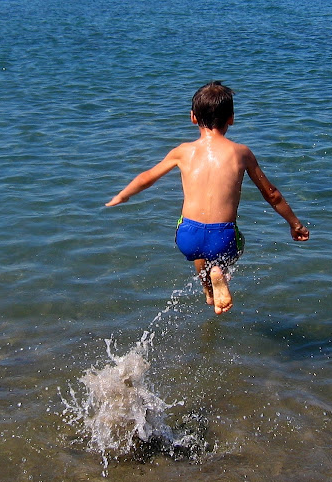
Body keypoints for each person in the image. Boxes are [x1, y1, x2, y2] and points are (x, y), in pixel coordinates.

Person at [105, 81, 309, 314]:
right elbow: (271, 194)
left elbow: (147, 177)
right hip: (223, 237)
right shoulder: (241, 153)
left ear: (193, 117)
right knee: (232, 248)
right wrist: (295, 224)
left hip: (187, 236)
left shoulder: (182, 151)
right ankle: (218, 271)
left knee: (199, 250)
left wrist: (123, 195)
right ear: (231, 118)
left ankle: (208, 290)